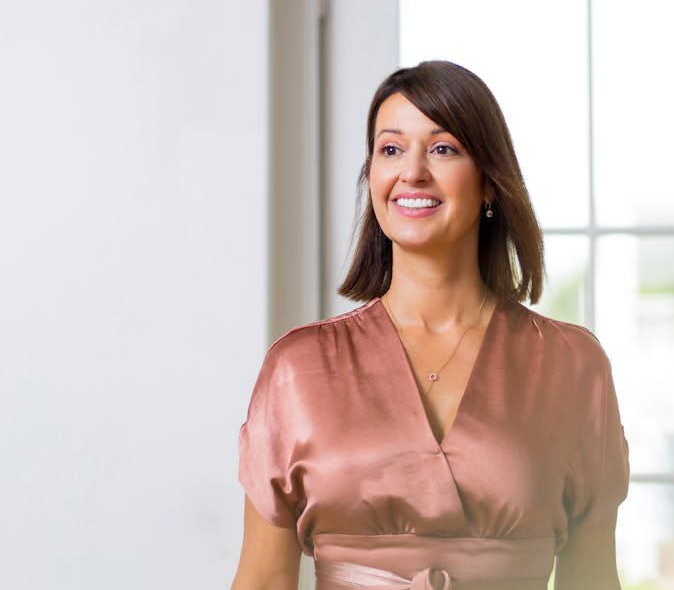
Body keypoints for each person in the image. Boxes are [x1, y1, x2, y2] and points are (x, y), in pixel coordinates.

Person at [231, 60, 629, 590]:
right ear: (371, 176)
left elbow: (594, 581)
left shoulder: (573, 366)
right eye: (390, 149)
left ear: (490, 183)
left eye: (443, 149)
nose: (412, 172)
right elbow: (260, 581)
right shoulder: (298, 369)